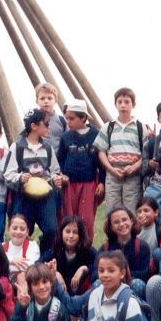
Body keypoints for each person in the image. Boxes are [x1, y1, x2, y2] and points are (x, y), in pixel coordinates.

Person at [3, 109, 64, 254]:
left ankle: (43, 257)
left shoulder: (47, 148)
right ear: (34, 126)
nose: (49, 127)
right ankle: (22, 260)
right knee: (22, 231)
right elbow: (8, 174)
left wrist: (56, 179)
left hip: (45, 197)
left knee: (51, 230)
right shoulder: (17, 147)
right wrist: (20, 178)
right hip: (24, 197)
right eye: (46, 124)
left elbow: (54, 171)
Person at [94, 87, 146, 215]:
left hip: (133, 174)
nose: (123, 105)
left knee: (132, 209)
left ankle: (133, 229)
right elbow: (101, 151)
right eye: (120, 102)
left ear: (133, 104)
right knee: (112, 209)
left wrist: (134, 167)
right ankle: (112, 229)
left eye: (127, 102)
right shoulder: (109, 127)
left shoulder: (140, 127)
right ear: (115, 104)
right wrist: (111, 169)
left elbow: (146, 153)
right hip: (113, 174)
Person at [57, 100, 103, 241]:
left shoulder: (96, 134)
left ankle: (86, 246)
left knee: (86, 219)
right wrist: (61, 175)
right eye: (67, 118)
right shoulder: (65, 137)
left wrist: (102, 182)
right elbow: (60, 160)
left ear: (83, 117)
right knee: (69, 217)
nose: (68, 122)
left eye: (72, 118)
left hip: (89, 183)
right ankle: (68, 246)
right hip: (69, 184)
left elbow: (101, 161)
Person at [97, 207, 152, 300]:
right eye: (116, 222)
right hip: (110, 282)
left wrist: (125, 275)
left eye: (124, 220)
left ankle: (138, 307)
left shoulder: (142, 246)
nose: (122, 224)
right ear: (111, 227)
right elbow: (95, 272)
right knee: (98, 283)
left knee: (137, 284)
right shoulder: (105, 249)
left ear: (131, 221)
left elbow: (145, 272)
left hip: (132, 283)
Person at [44, 215, 97, 296]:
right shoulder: (55, 249)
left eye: (75, 232)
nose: (71, 236)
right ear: (61, 232)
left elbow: (99, 265)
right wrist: (55, 273)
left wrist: (84, 269)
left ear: (81, 235)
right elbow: (38, 265)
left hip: (83, 295)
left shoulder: (87, 249)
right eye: (67, 231)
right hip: (58, 293)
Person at [4, 214, 40, 287]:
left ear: (27, 232)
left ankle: (23, 295)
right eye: (15, 228)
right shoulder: (2, 246)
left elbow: (29, 266)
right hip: (6, 280)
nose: (18, 232)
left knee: (21, 276)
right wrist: (12, 259)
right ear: (8, 229)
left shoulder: (32, 246)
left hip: (27, 280)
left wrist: (6, 263)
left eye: (22, 229)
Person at [35, 82, 67, 154]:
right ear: (37, 101)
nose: (46, 101)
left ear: (55, 101)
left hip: (59, 159)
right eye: (42, 98)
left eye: (50, 98)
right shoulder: (33, 122)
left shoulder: (62, 121)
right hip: (39, 159)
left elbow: (69, 141)